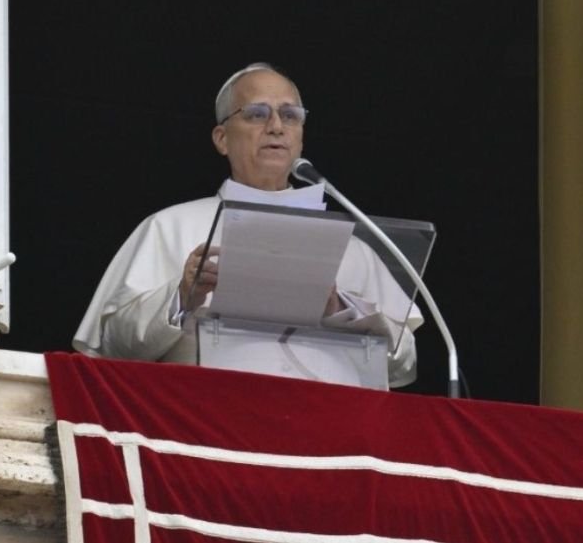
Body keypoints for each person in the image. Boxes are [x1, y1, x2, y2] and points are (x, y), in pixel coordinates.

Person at [73, 63, 420, 386]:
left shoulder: (354, 248)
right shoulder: (169, 227)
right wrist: (181, 297)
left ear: (301, 134)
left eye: (290, 115)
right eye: (256, 114)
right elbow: (111, 347)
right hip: (207, 427)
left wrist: (341, 309)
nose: (276, 126)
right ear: (222, 138)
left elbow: (403, 365)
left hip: (330, 435)